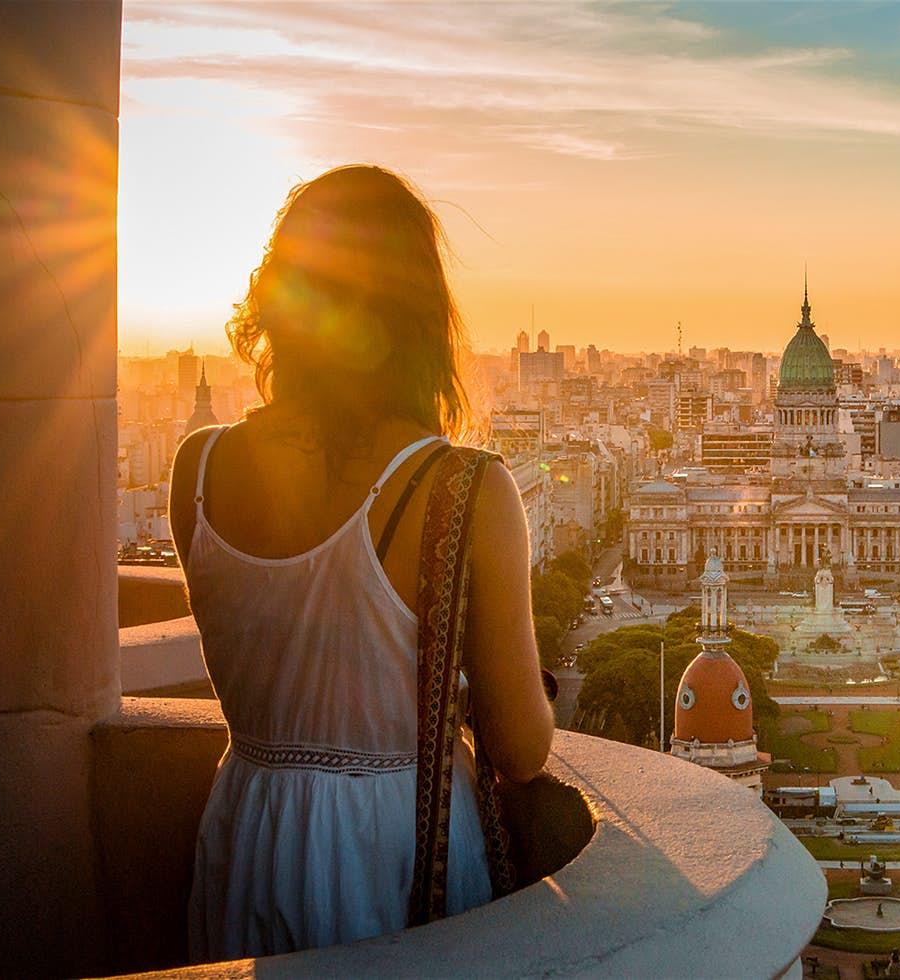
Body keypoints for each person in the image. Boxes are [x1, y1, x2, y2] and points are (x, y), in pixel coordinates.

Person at [172, 165, 554, 961]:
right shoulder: (464, 489)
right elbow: (520, 750)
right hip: (400, 850)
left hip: (247, 830)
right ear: (419, 317)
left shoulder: (196, 470)